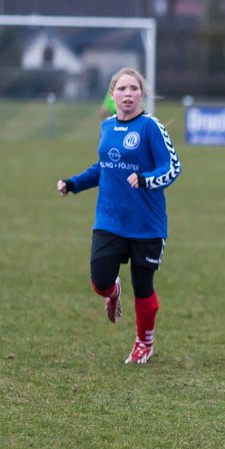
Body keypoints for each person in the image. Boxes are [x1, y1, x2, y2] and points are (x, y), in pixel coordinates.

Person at [57, 68, 182, 364]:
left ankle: (144, 343)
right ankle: (113, 293)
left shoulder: (151, 127)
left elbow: (172, 167)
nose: (128, 94)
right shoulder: (108, 127)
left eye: (134, 89)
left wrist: (146, 179)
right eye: (122, 89)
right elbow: (103, 168)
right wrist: (74, 183)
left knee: (143, 288)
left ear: (142, 94)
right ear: (112, 94)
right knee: (100, 281)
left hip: (146, 224)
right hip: (110, 219)